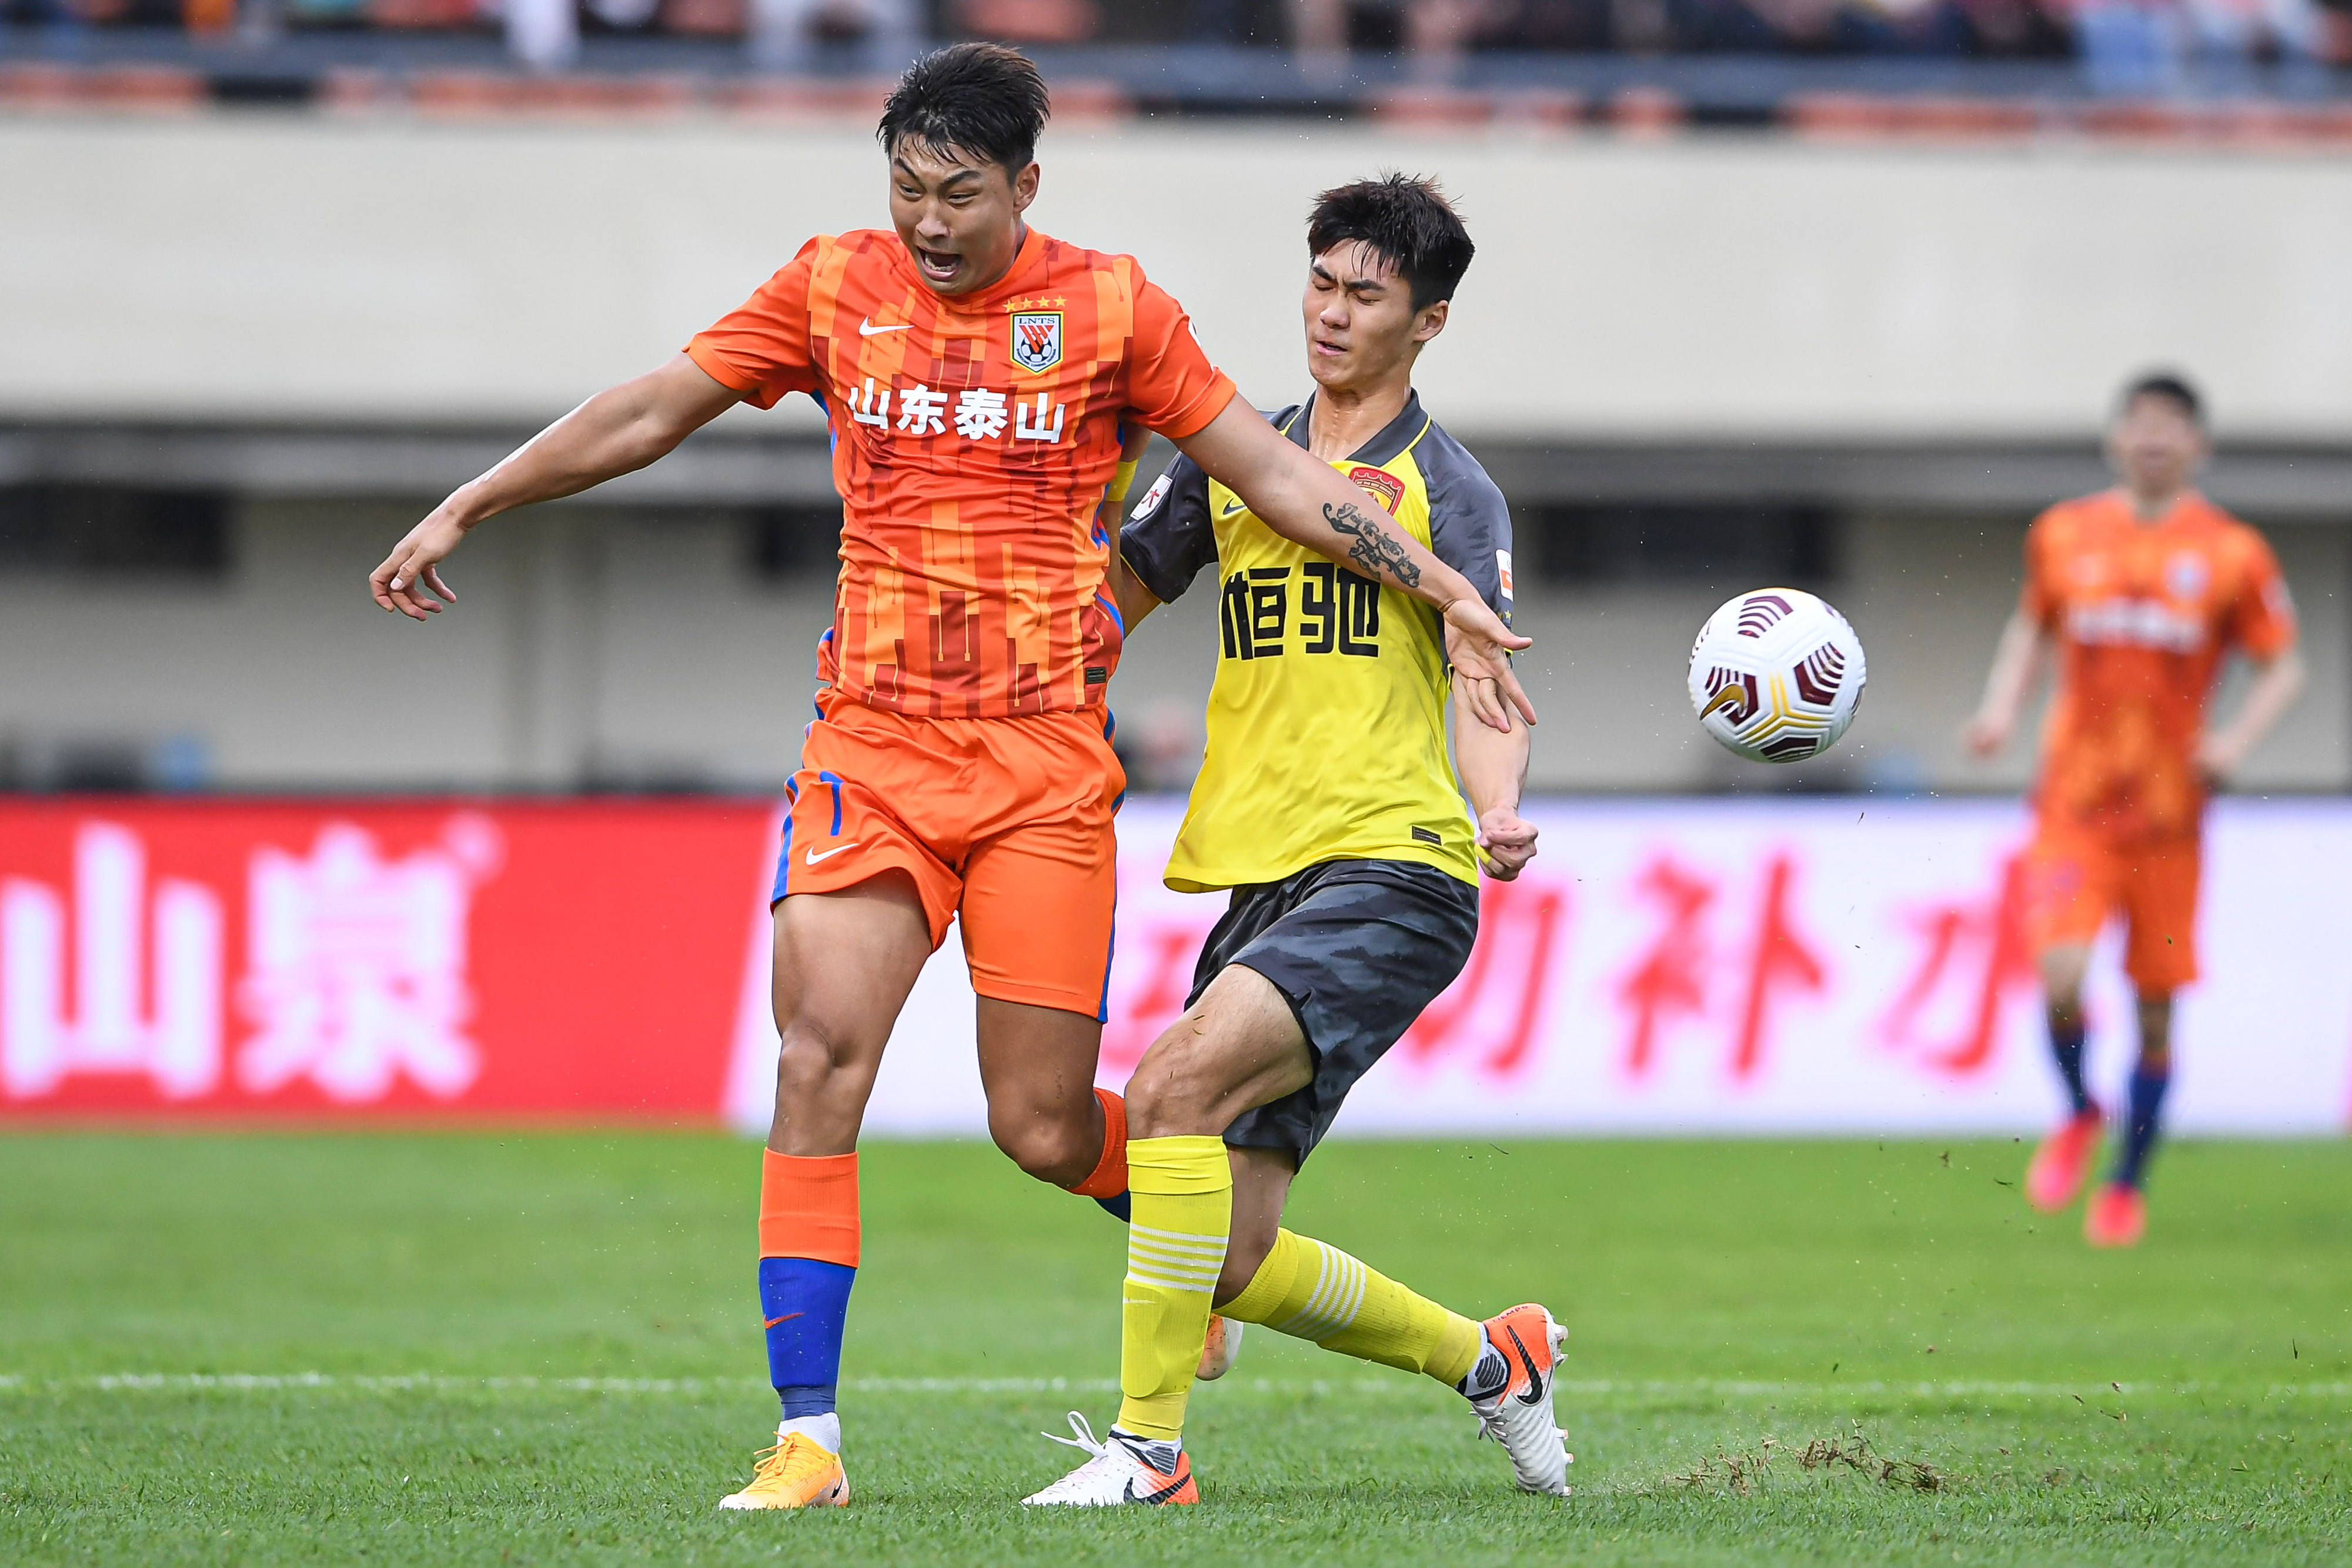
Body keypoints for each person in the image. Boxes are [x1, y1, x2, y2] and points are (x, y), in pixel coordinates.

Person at [366, 44, 1532, 1511]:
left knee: (1046, 1128)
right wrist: (474, 498)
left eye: (958, 193)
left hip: (1044, 768)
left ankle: (1253, 1271)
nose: (927, 219)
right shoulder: (830, 284)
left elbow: (1278, 477)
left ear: (1023, 187)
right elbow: (655, 405)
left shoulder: (1112, 308)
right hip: (873, 743)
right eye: (906, 187)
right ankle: (809, 1438)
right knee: (817, 1055)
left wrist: (1441, 587)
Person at [1022, 175, 1568, 1508]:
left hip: (1393, 864)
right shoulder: (1231, 454)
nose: (1329, 312)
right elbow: (1115, 602)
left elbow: (1483, 667)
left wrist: (1496, 803)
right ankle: (1493, 1359)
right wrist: (1021, 682)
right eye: (1319, 282)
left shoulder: (1448, 487)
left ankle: (1148, 1457)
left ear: (1426, 322)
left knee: (1165, 1094)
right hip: (1257, 873)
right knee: (1222, 1252)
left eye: (1363, 293)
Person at [1965, 371, 2303, 1249]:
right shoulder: (2065, 534)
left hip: (2168, 820)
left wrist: (2231, 746)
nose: (2154, 439)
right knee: (2061, 978)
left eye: (2172, 426)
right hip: (2075, 805)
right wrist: (2003, 707)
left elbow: (2285, 665)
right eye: (2141, 424)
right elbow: (2030, 628)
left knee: (2156, 1010)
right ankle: (2080, 1110)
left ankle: (2125, 1184)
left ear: (2198, 446)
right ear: (2117, 439)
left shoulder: (2232, 553)